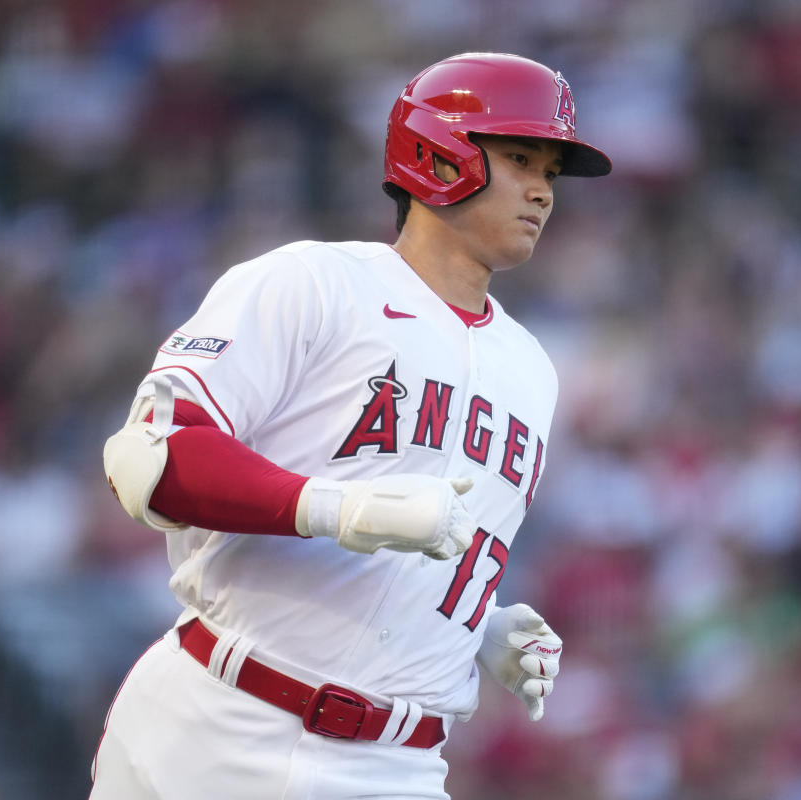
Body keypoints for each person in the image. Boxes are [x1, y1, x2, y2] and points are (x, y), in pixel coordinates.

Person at [90, 52, 612, 799]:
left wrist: (474, 627)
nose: (541, 191)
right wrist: (337, 509)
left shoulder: (533, 368)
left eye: (552, 173)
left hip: (395, 766)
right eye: (522, 158)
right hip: (222, 720)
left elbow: (418, 534)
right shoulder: (317, 282)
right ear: (439, 153)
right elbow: (150, 461)